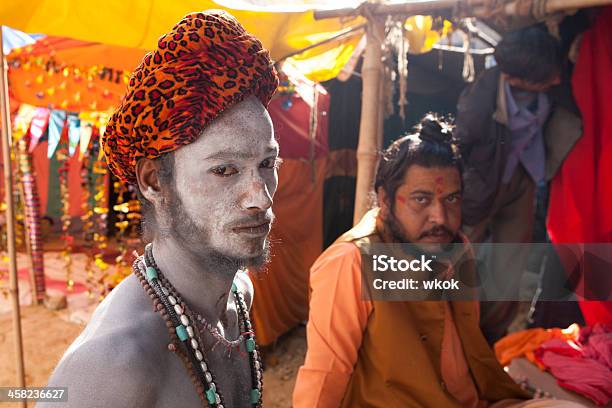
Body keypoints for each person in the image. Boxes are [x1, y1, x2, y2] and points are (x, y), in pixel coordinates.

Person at [41, 10, 279, 408]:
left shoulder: (238, 294)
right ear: (154, 181)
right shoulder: (112, 365)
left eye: (267, 165)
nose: (260, 198)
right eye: (225, 170)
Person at [293, 114, 584, 408]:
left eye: (451, 199)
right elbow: (325, 375)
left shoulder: (456, 248)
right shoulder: (351, 262)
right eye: (421, 200)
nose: (440, 218)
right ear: (385, 200)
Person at [455, 26, 582, 344]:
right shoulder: (480, 99)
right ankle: (455, 333)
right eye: (545, 78)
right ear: (514, 79)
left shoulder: (554, 85)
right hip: (479, 186)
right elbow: (461, 147)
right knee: (457, 260)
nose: (555, 80)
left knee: (510, 263)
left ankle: (491, 337)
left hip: (523, 181)